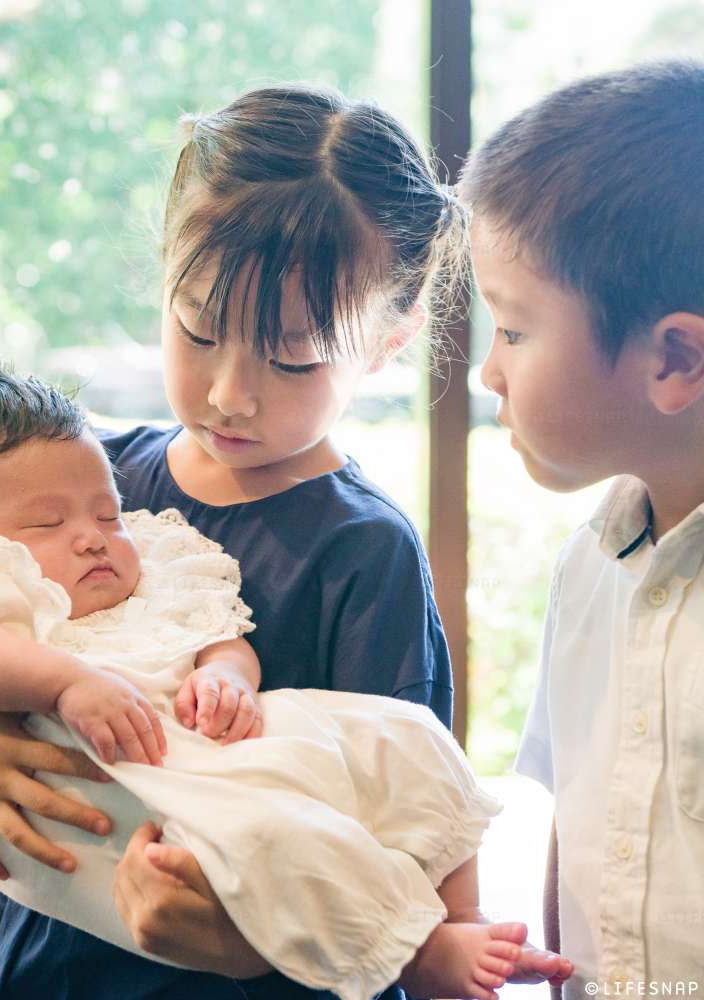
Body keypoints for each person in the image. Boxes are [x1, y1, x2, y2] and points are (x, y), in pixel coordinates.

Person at [0, 85, 567, 1000]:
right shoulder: (87, 476)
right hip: (27, 957)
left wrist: (242, 940)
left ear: (388, 341)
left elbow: (389, 826)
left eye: (292, 357)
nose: (231, 392)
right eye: (198, 328)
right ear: (164, 277)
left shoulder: (363, 553)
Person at [0, 362, 518, 1000]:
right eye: (50, 524)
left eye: (106, 513)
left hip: (218, 740)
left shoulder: (172, 552)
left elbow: (217, 629)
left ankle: (459, 909)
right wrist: (61, 686)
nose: (91, 537)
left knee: (402, 736)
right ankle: (416, 952)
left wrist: (225, 674)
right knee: (273, 836)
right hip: (127, 787)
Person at [460, 60, 704, 998]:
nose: (490, 372)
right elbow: (580, 832)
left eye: (514, 331)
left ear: (674, 359)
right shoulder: (588, 570)